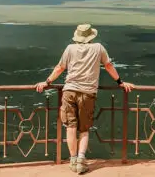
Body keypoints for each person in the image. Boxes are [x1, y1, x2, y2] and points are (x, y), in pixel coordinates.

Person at [35, 24, 134, 174]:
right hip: (88, 93)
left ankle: (73, 159)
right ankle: (81, 160)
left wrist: (47, 82)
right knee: (84, 129)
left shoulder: (69, 49)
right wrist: (120, 82)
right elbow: (108, 66)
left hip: (69, 91)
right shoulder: (99, 48)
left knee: (70, 127)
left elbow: (60, 68)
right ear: (91, 37)